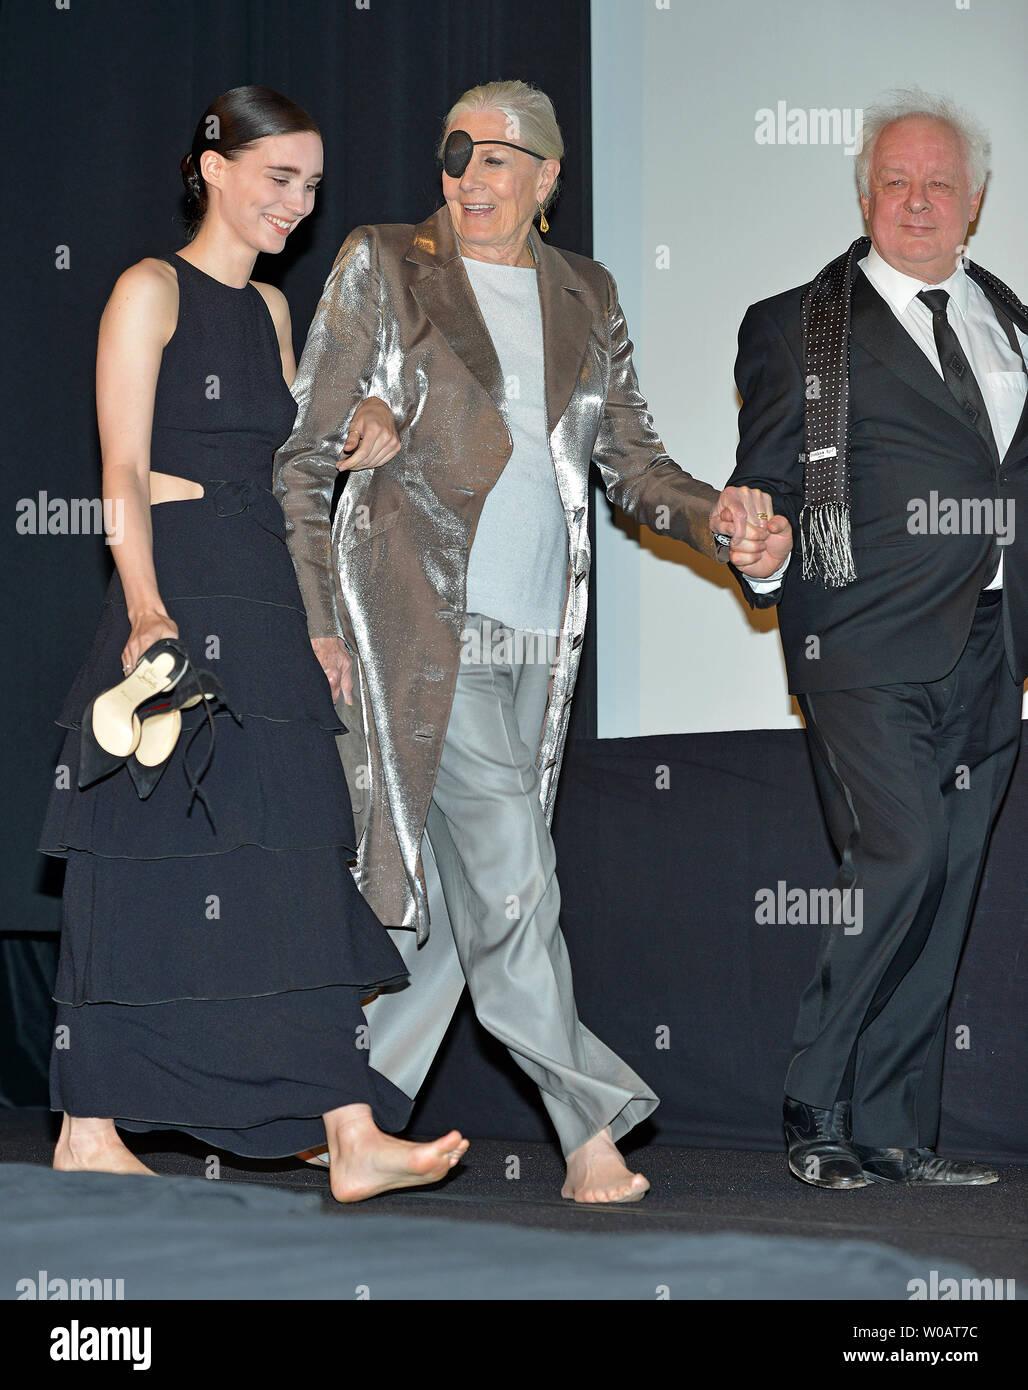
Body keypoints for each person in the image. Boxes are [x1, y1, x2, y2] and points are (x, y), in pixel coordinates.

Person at [274, 79, 790, 1203]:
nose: (467, 177)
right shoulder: (382, 262)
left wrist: (721, 519)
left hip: (534, 647)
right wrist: (318, 621)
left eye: (496, 159)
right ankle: (588, 1130)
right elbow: (303, 456)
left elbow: (634, 469)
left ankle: (340, 1104)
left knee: (464, 909)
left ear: (548, 178)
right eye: (454, 155)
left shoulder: (584, 293)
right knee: (513, 879)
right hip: (417, 631)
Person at [39, 84, 467, 1202]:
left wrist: (348, 456)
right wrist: (142, 607)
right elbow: (121, 469)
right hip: (176, 582)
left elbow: (278, 477)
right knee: (137, 850)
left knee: (294, 856)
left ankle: (348, 1126)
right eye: (280, 177)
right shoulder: (148, 288)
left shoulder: (272, 313)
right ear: (212, 167)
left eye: (313, 186)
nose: (299, 202)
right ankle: (88, 1126)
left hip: (264, 596)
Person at [724, 89, 1026, 1188]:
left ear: (974, 203)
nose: (916, 201)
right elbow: (763, 477)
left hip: (993, 648)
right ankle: (813, 1098)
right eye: (894, 181)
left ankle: (896, 1128)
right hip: (858, 643)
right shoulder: (797, 322)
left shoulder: (1006, 317)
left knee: (944, 885)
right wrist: (753, 540)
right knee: (894, 858)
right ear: (862, 195)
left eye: (938, 184)